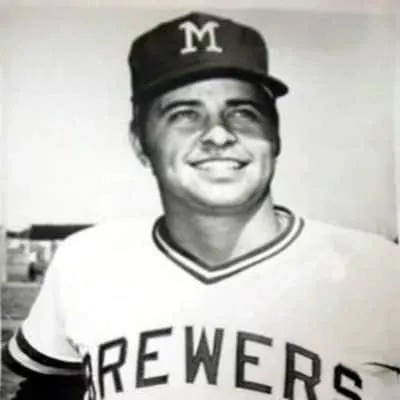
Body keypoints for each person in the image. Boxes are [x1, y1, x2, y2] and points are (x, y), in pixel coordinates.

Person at [3, 11, 400, 400]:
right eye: (185, 114)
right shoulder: (88, 262)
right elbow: (48, 390)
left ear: (275, 134)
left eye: (243, 112)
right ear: (140, 142)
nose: (218, 135)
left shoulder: (381, 273)